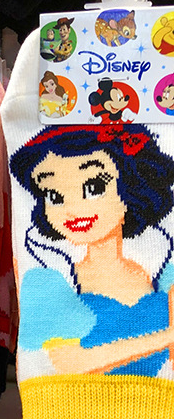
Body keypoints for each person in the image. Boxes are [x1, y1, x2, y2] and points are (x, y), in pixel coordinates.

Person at [10, 124, 174, 377]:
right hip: (67, 400)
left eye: (94, 187)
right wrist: (165, 337)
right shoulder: (45, 280)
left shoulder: (165, 273)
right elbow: (67, 363)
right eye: (54, 196)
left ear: (132, 187)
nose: (72, 210)